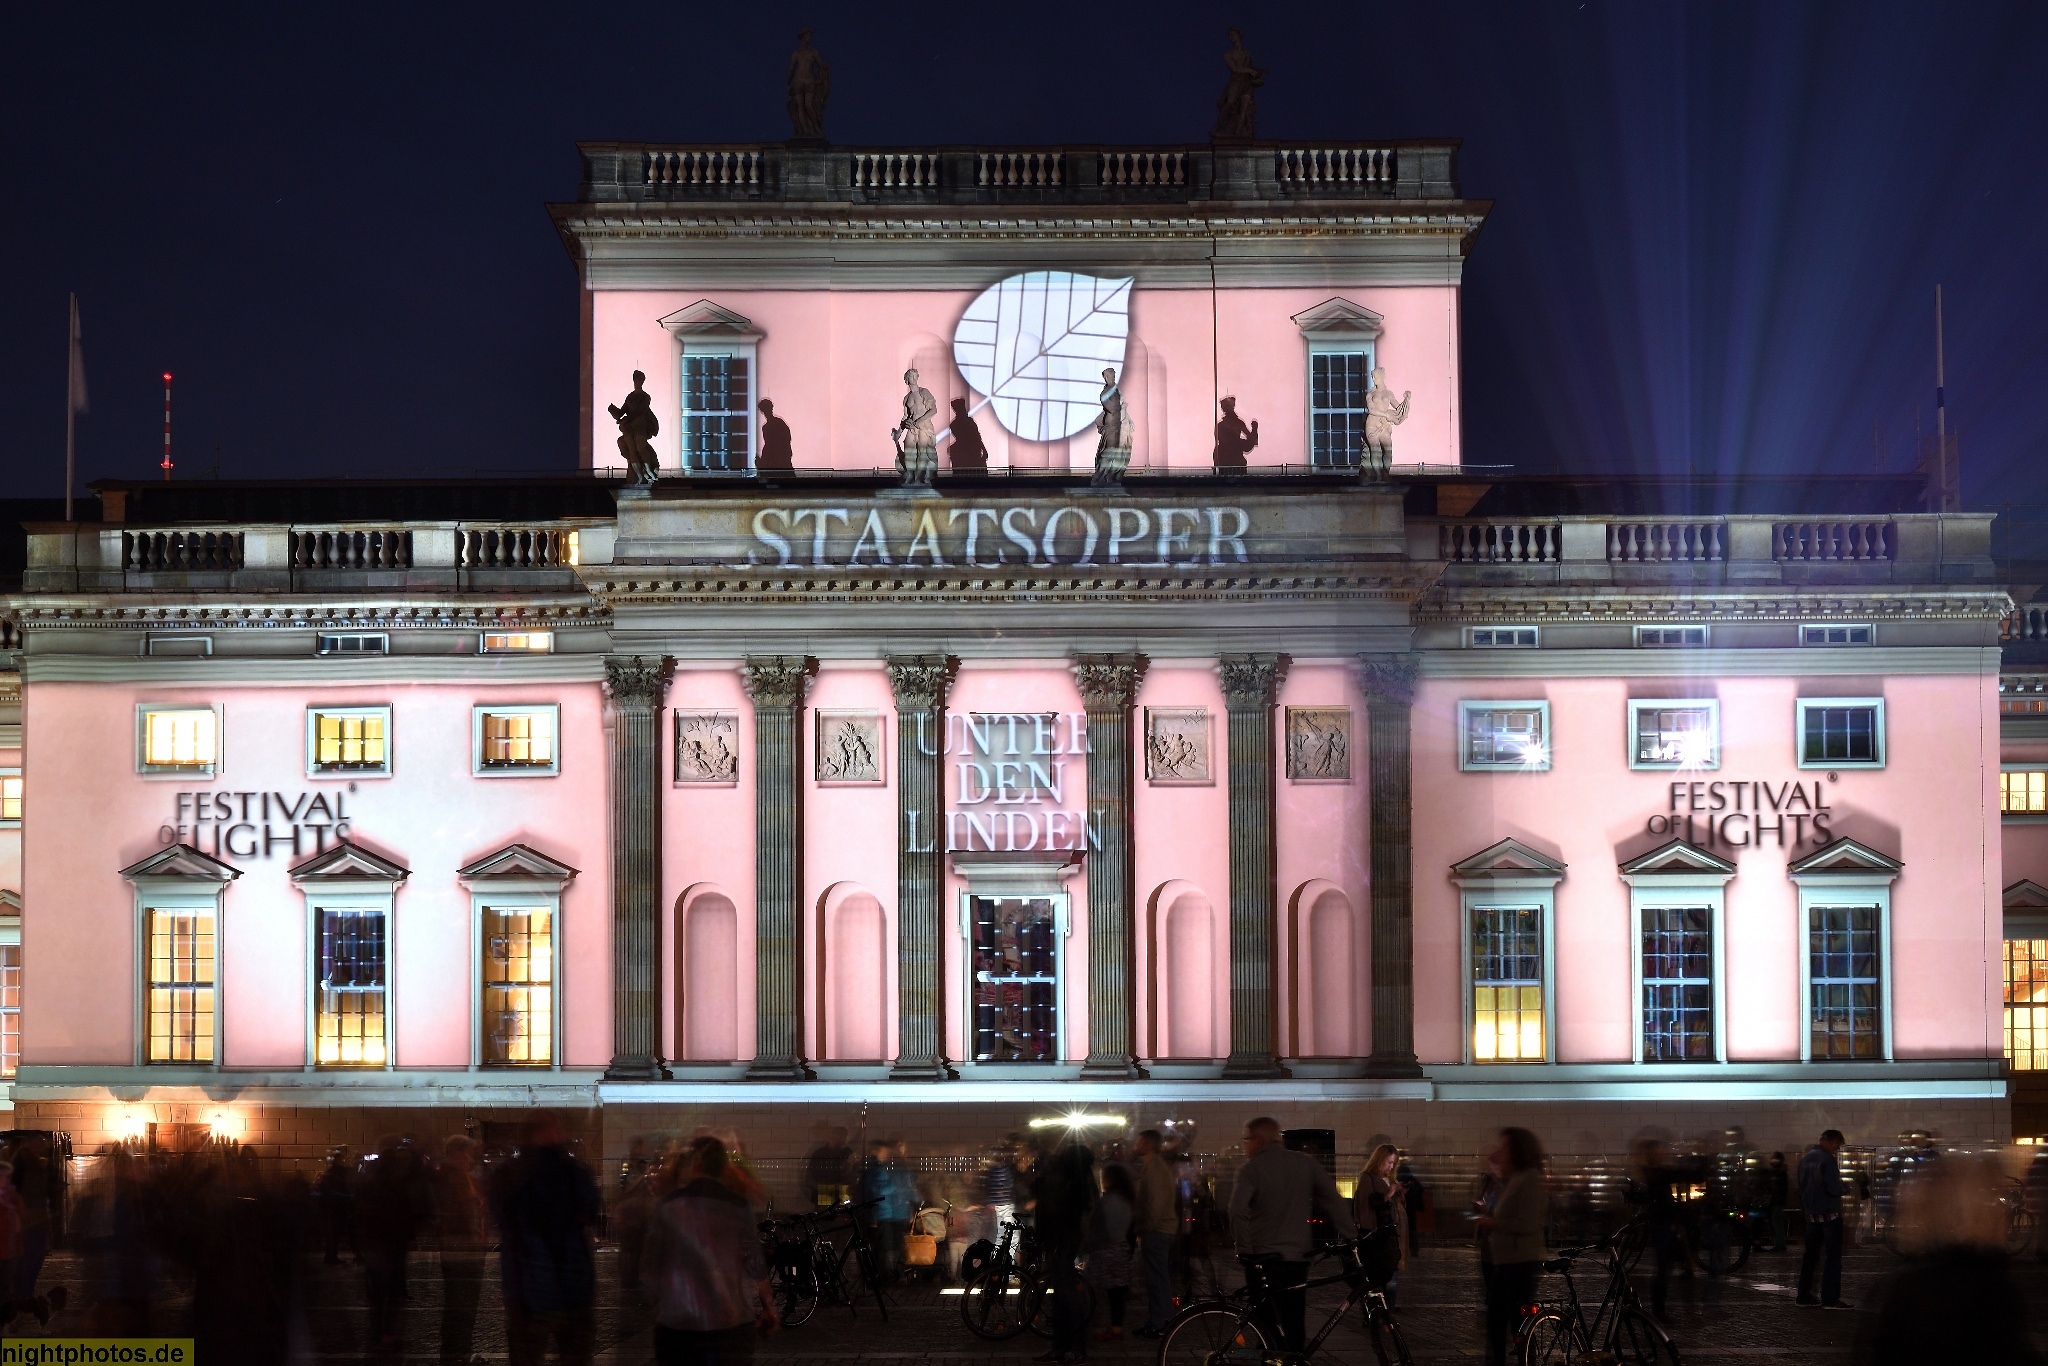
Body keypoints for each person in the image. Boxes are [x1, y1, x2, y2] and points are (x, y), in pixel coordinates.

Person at [641, 1137, 779, 1366]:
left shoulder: (668, 1206)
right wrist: (768, 1306)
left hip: (679, 1325)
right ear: (723, 1167)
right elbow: (754, 1260)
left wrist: (662, 1305)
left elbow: (650, 1266)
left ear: (693, 1163)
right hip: (731, 1324)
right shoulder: (738, 1205)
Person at [1227, 1117, 1355, 1355]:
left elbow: (1237, 1211)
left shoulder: (1251, 1169)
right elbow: (1333, 1201)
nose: (1245, 1145)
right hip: (1296, 1259)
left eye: (1247, 1140)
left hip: (1261, 1258)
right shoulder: (1305, 1163)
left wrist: (1243, 1249)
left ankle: (1271, 1355)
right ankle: (1293, 1356)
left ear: (1259, 1140)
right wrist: (1352, 1237)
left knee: (1265, 1323)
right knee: (1294, 1319)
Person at [493, 1111, 602, 1366]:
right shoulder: (573, 1172)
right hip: (569, 1283)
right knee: (573, 1355)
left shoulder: (508, 1174)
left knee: (527, 1356)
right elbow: (589, 1210)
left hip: (526, 1284)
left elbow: (503, 1218)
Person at [357, 1136, 433, 1363]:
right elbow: (407, 1213)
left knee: (377, 1296)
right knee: (391, 1294)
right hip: (393, 1245)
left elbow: (360, 1215)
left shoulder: (369, 1185)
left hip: (375, 1245)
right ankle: (388, 1335)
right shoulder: (398, 1187)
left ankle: (376, 1336)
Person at [1476, 1127, 1547, 1366]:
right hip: (1506, 1261)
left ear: (1517, 1150)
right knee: (1496, 1323)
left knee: (1518, 1324)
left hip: (1520, 1262)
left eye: (1505, 1146)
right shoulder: (1515, 1178)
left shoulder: (1529, 1179)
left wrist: (1494, 1223)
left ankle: (1526, 1361)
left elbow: (1528, 1223)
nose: (1500, 1150)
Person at [1030, 1137, 1097, 1364]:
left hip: (1061, 1240)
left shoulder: (1068, 1177)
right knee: (1061, 1297)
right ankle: (1064, 1347)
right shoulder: (1081, 1176)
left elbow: (1054, 1206)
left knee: (1065, 1297)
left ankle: (1071, 1347)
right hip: (1065, 1240)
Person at [436, 1135, 490, 1366]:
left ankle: (460, 1351)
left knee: (464, 1304)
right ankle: (456, 1353)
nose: (471, 1159)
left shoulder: (463, 1178)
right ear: (456, 1154)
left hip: (468, 1250)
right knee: (460, 1304)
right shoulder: (450, 1180)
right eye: (467, 1154)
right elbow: (455, 1216)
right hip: (461, 1251)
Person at [1627, 1138, 1685, 1318]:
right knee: (1663, 1268)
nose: (1664, 1154)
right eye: (1660, 1151)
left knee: (1664, 1266)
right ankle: (1658, 1309)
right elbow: (1679, 1175)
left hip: (1662, 1222)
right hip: (1662, 1224)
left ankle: (1658, 1307)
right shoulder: (1656, 1172)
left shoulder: (1651, 1171)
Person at [1130, 1129, 1178, 1339]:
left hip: (1157, 1231)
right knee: (1155, 1279)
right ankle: (1158, 1321)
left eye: (1139, 1142)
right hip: (1156, 1230)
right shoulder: (1152, 1167)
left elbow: (1155, 1205)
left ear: (1148, 1144)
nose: (1136, 1145)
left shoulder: (1155, 1168)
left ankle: (1161, 1323)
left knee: (1157, 1279)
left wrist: (1145, 1227)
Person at [1796, 1128, 1849, 1309]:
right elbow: (1833, 1188)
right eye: (1836, 1145)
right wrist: (1846, 1188)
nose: (1836, 1149)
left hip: (1811, 1214)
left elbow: (1801, 1186)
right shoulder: (1827, 1159)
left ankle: (1804, 1295)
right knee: (1832, 1258)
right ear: (1831, 1141)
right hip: (1829, 1214)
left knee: (1810, 1256)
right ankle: (1830, 1298)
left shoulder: (1805, 1159)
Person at [1087, 1162, 1135, 1342]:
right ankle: (1116, 1328)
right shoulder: (1126, 1200)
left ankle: (1103, 1327)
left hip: (1106, 1251)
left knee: (1099, 1291)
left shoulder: (1108, 1201)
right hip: (1120, 1248)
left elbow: (1099, 1229)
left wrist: (1086, 1247)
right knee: (1117, 1293)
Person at [1354, 1143, 1404, 1308]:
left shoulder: (1390, 1180)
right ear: (1379, 1160)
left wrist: (1399, 1196)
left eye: (1393, 1163)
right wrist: (1388, 1194)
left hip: (1390, 1234)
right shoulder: (1368, 1178)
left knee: (1391, 1271)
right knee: (1376, 1274)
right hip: (1375, 1235)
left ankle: (1388, 1308)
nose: (1391, 1167)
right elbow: (1366, 1206)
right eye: (1388, 1162)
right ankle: (1376, 1310)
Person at [859, 1140, 916, 1280]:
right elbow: (879, 1189)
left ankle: (882, 1272)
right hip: (882, 1212)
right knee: (882, 1246)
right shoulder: (877, 1169)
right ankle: (880, 1274)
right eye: (884, 1151)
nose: (887, 1154)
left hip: (884, 1212)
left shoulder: (878, 1168)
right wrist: (894, 1186)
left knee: (884, 1245)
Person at [607, 371, 661, 484]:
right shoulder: (630, 397)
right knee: (632, 452)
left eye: (639, 379)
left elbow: (640, 411)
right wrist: (613, 411)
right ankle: (640, 476)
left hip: (640, 426)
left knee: (641, 448)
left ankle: (649, 471)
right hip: (630, 428)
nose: (637, 381)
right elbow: (621, 412)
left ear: (642, 381)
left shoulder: (645, 396)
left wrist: (626, 419)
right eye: (635, 379)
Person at [804, 1127, 853, 1209]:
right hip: (828, 1191)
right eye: (842, 1137)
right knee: (828, 1213)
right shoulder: (820, 1154)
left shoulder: (847, 1153)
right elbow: (811, 1177)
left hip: (837, 1191)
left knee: (840, 1213)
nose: (844, 1140)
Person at [1212, 396, 1259, 470]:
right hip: (1232, 459)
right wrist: (1254, 429)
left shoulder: (1221, 425)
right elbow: (1251, 440)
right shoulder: (1237, 423)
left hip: (1225, 460)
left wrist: (1254, 430)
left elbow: (1251, 440)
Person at [1395, 1162, 1429, 1256]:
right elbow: (1420, 1190)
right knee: (1411, 1231)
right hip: (1410, 1210)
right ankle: (1413, 1250)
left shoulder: (1400, 1181)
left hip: (1404, 1210)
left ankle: (1404, 1250)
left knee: (1404, 1231)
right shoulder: (1412, 1181)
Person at [756, 399, 794, 472]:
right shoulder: (774, 424)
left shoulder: (769, 426)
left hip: (779, 458)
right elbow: (787, 438)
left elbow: (785, 439)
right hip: (779, 458)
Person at [1765, 1152, 1791, 1252]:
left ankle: (1779, 1244)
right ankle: (1779, 1243)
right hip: (1778, 1201)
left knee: (1776, 1223)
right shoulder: (1781, 1172)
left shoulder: (1777, 1172)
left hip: (1775, 1201)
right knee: (1777, 1222)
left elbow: (1775, 1187)